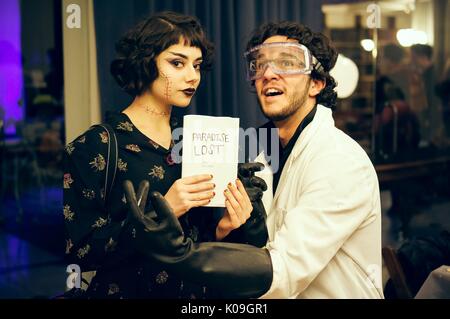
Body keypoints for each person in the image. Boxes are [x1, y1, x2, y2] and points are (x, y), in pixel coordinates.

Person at [123, 21, 384, 299]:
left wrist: (181, 253)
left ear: (316, 83)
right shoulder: (259, 154)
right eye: (260, 65)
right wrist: (236, 229)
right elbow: (259, 252)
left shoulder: (339, 160)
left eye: (287, 63)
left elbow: (284, 269)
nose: (269, 73)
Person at [63, 11, 264, 299]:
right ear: (145, 63)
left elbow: (198, 245)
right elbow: (81, 252)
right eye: (177, 63)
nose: (192, 75)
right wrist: (162, 211)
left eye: (196, 65)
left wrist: (225, 228)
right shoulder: (96, 145)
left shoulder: (194, 140)